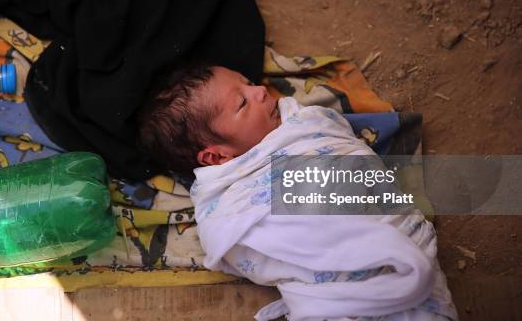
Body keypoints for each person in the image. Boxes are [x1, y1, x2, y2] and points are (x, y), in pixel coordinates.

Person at [136, 63, 458, 321]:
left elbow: (341, 147)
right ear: (218, 157)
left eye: (247, 82)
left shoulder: (304, 125)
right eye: (242, 102)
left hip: (393, 238)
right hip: (338, 294)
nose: (260, 91)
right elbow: (250, 250)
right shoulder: (230, 202)